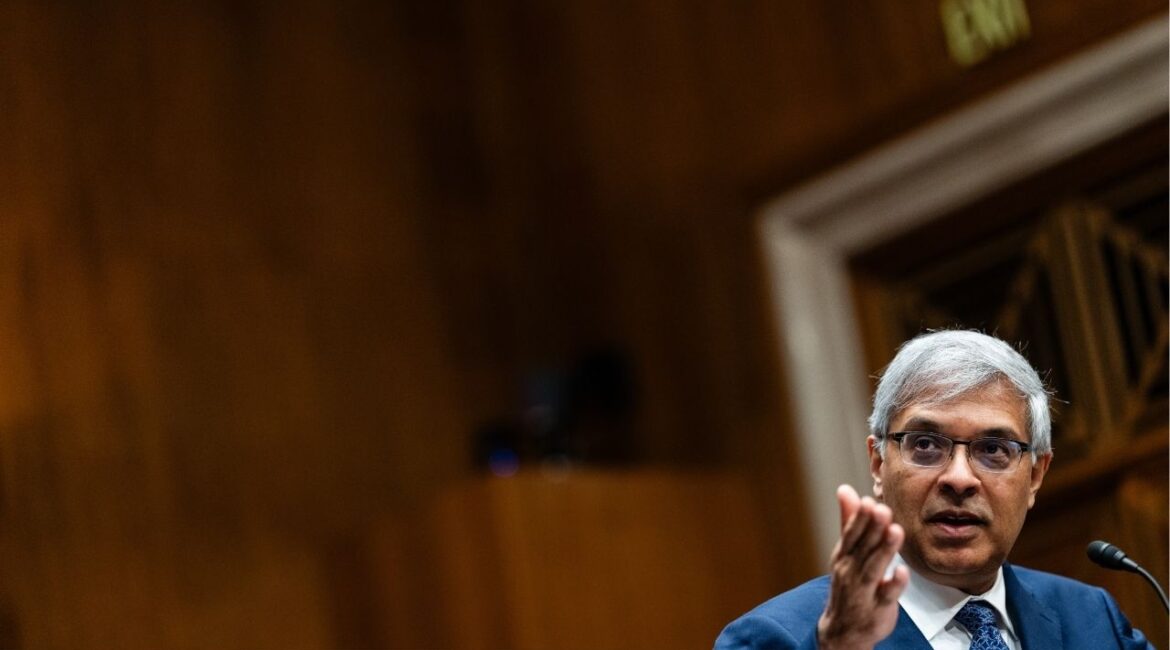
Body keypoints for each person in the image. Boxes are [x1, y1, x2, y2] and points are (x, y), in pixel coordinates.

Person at [715, 330, 1152, 649]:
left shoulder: (1092, 621)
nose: (959, 478)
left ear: (1035, 475)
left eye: (994, 449)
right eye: (925, 445)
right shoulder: (775, 639)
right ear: (878, 464)